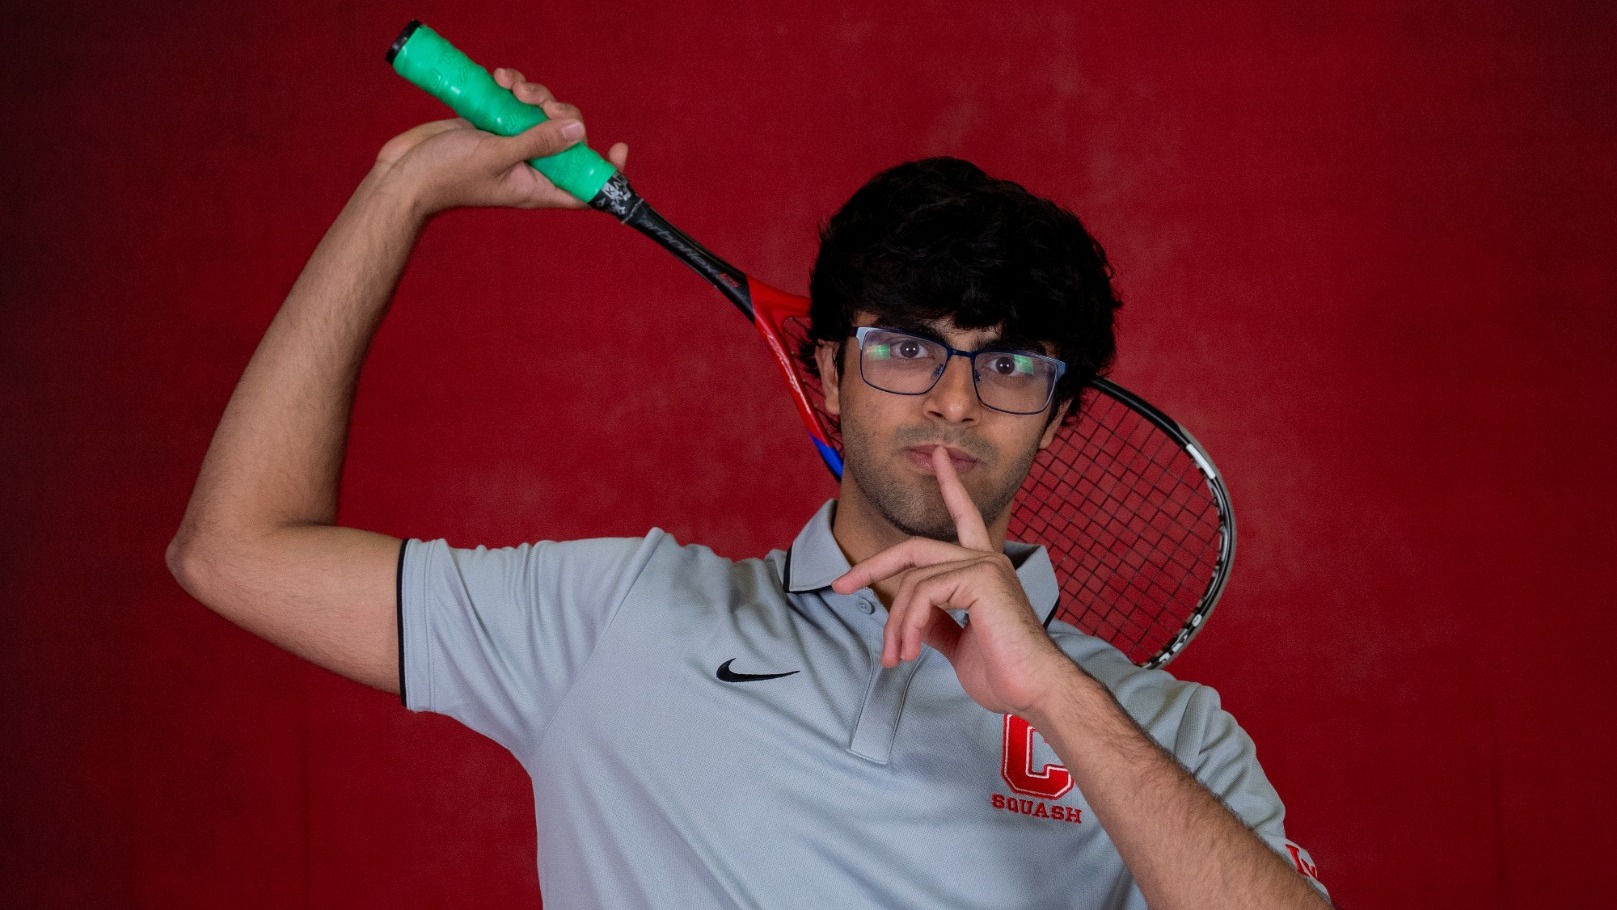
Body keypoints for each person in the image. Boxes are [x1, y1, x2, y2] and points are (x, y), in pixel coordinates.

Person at [169, 67, 1331, 909]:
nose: (954, 403)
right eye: (906, 347)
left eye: (1011, 364)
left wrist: (1062, 697)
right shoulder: (617, 618)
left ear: (1065, 409)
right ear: (827, 371)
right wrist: (399, 191)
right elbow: (233, 547)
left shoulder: (1169, 732)